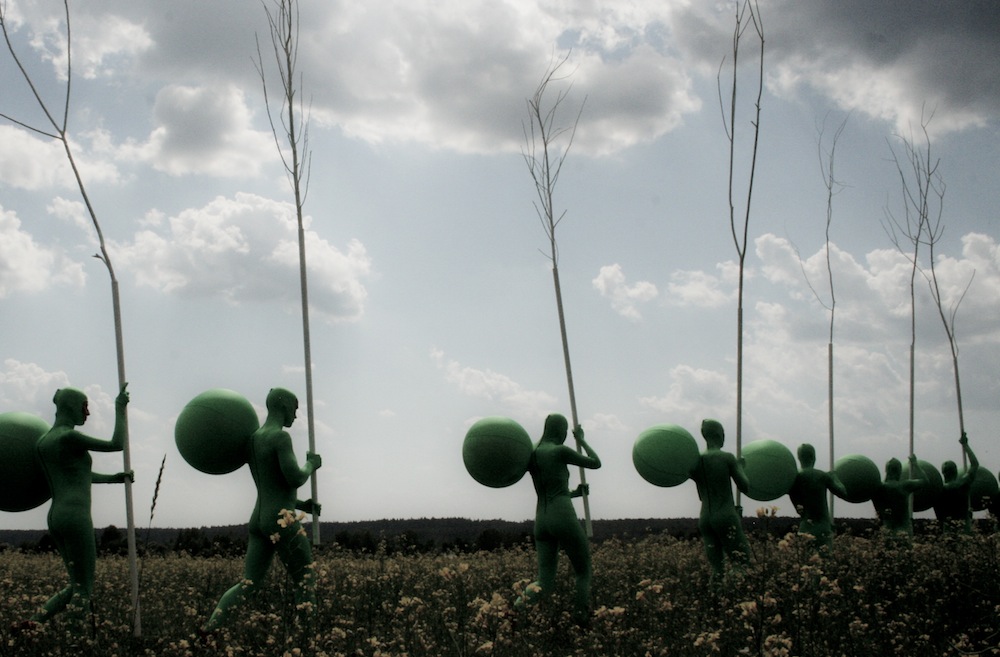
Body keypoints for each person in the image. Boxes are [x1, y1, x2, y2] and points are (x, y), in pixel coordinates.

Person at [202, 388, 322, 632]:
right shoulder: (280, 438)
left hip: (258, 519)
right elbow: (295, 478)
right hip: (281, 521)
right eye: (294, 408)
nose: (296, 416)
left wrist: (300, 505)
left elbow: (271, 486)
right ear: (282, 406)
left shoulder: (254, 439)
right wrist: (312, 463)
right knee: (305, 580)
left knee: (249, 582)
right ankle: (307, 638)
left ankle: (209, 629)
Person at [32, 383, 131, 625]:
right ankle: (75, 642)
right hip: (76, 516)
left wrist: (114, 479)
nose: (87, 413)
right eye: (85, 406)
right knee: (84, 589)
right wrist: (119, 408)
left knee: (76, 583)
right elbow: (116, 444)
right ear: (71, 406)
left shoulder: (44, 441)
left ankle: (33, 624)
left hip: (56, 517)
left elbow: (76, 475)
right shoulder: (70, 436)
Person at [515, 413, 600, 623]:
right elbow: (595, 463)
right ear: (560, 430)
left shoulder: (532, 453)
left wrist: (576, 493)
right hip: (562, 515)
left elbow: (551, 489)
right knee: (583, 570)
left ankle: (515, 611)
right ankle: (581, 619)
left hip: (541, 519)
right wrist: (581, 440)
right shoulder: (559, 450)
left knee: (544, 580)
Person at [689, 419, 750, 577]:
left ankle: (716, 599)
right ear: (718, 434)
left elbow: (701, 496)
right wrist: (741, 467)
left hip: (705, 518)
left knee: (717, 570)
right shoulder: (727, 458)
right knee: (742, 562)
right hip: (725, 514)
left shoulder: (696, 461)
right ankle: (737, 598)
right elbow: (744, 486)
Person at [788, 443, 849, 552]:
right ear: (813, 457)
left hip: (804, 527)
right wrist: (835, 477)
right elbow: (843, 492)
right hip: (823, 527)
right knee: (824, 564)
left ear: (799, 458)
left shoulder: (794, 478)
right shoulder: (822, 476)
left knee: (806, 563)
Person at [871, 454, 926, 539]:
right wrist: (915, 464)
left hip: (886, 533)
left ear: (886, 470)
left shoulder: (878, 488)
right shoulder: (904, 486)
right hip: (904, 532)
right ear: (899, 470)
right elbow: (925, 481)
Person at [934, 433, 979, 533]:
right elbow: (975, 465)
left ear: (943, 473)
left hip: (947, 529)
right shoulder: (962, 484)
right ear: (956, 471)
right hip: (964, 527)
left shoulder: (939, 490)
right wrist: (965, 445)